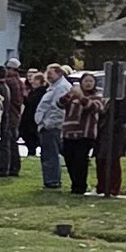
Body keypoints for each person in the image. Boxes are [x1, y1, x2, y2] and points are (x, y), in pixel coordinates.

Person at [61, 71, 100, 198]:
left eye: (91, 81)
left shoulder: (96, 96)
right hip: (69, 133)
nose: (88, 84)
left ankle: (80, 187)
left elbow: (93, 107)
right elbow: (59, 104)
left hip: (85, 134)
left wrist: (81, 96)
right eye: (86, 81)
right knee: (69, 159)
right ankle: (74, 183)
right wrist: (70, 94)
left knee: (80, 161)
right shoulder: (72, 96)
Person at [33, 62, 71, 191]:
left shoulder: (61, 88)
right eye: (47, 74)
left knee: (51, 155)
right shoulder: (54, 87)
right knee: (48, 154)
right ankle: (50, 180)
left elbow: (58, 109)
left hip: (52, 127)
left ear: (59, 73)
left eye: (50, 74)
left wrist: (48, 124)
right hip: (46, 126)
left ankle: (52, 181)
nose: (47, 77)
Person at [97, 62, 126, 200]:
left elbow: (121, 116)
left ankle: (113, 187)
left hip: (116, 133)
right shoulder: (107, 98)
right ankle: (102, 185)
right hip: (103, 132)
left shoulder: (125, 99)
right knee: (101, 160)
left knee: (113, 161)